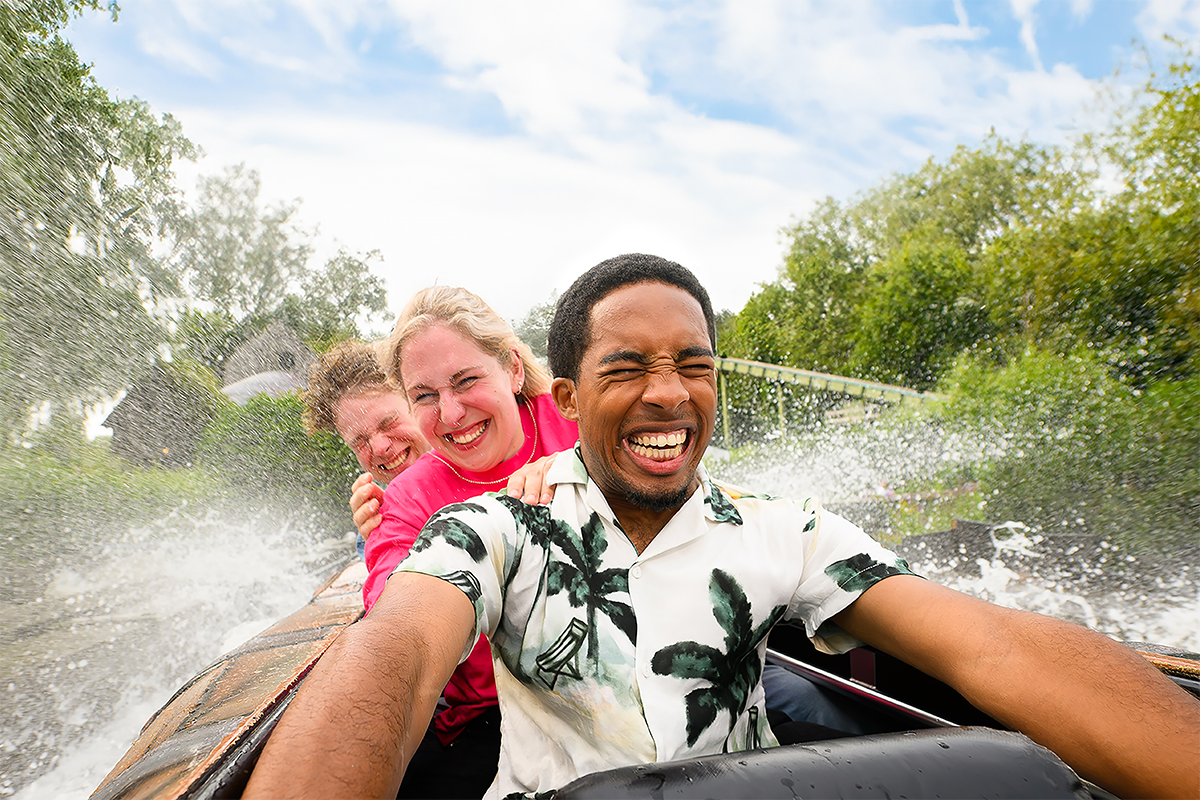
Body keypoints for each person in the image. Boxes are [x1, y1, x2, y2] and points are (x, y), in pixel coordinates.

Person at [246, 255, 1200, 800]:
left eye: (691, 365)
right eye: (627, 369)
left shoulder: (786, 530)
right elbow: (396, 650)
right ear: (572, 396)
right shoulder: (486, 528)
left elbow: (989, 646)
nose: (666, 393)